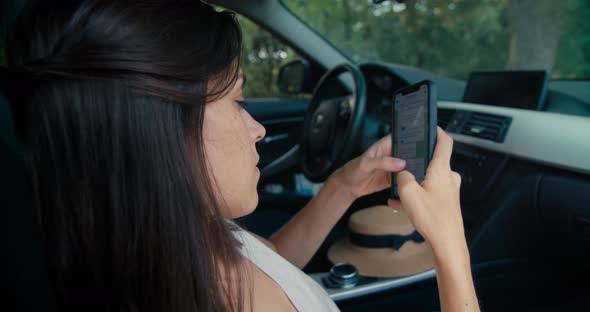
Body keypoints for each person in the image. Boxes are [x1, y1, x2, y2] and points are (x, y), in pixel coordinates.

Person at [1, 0, 479, 311]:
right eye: (237, 101)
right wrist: (451, 247)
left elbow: (270, 261)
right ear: (161, 135)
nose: (258, 129)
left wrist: (344, 185)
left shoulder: (171, 243)